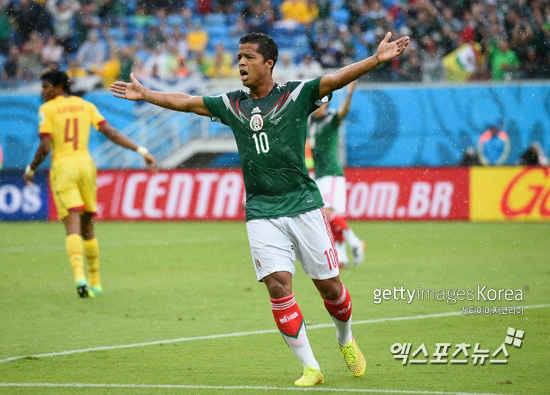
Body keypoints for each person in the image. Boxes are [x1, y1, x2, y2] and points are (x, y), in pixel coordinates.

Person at [110, 31, 409, 386]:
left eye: (249, 57)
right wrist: (146, 94)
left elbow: (335, 78)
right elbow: (188, 101)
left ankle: (345, 338)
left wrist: (375, 60)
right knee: (279, 287)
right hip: (261, 210)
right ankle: (311, 367)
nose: (240, 63)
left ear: (269, 64)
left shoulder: (296, 95)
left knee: (330, 288)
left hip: (303, 205)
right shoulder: (232, 104)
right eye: (239, 57)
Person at [24, 70, 157, 298]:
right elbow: (109, 131)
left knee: (72, 224)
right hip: (86, 165)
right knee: (88, 224)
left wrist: (31, 169)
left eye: (46, 87)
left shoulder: (47, 109)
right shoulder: (85, 106)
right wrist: (140, 150)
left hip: (64, 167)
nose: (43, 92)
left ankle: (80, 279)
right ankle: (96, 282)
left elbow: (45, 147)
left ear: (58, 88)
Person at [307, 80, 365, 269]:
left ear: (327, 104)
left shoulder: (331, 119)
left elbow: (343, 112)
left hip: (331, 173)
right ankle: (342, 259)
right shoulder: (312, 121)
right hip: (320, 173)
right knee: (328, 218)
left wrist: (348, 96)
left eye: (321, 103)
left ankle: (355, 242)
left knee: (327, 213)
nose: (318, 106)